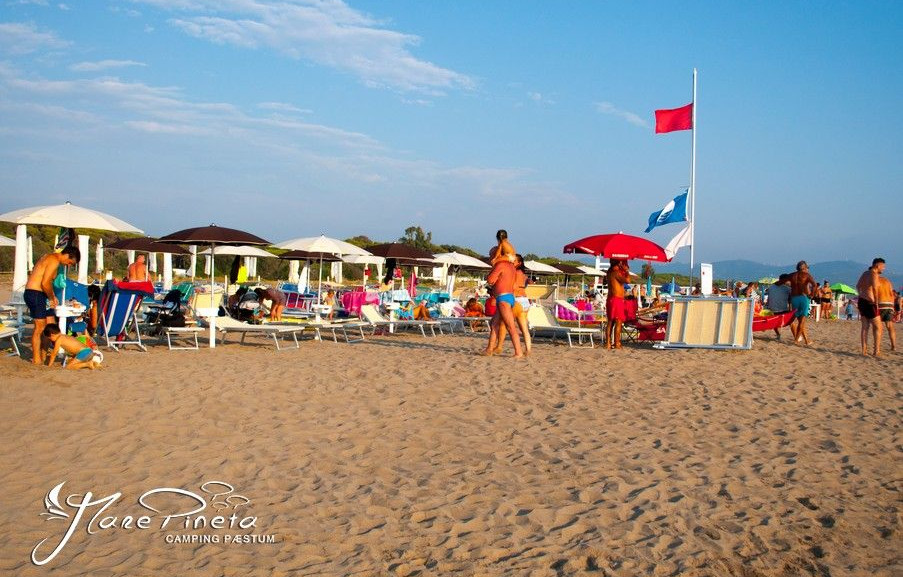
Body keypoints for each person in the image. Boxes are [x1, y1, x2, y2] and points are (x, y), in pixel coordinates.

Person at [24, 246, 80, 364]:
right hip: (35, 293)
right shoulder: (53, 260)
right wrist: (51, 297)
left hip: (41, 294)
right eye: (70, 262)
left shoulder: (52, 259)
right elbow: (44, 283)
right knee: (40, 327)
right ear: (67, 255)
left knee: (51, 327)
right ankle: (36, 359)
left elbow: (48, 281)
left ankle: (43, 355)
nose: (69, 265)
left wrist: (52, 296)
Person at [483, 246, 523, 358]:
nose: (490, 257)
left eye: (491, 255)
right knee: (494, 324)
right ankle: (489, 349)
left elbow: (490, 280)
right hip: (507, 297)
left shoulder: (500, 265)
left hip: (503, 298)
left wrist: (491, 272)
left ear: (496, 255)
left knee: (510, 327)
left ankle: (518, 352)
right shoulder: (511, 266)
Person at [494, 254, 533, 356]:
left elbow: (514, 286)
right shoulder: (524, 274)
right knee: (524, 328)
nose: (511, 262)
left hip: (517, 300)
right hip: (525, 301)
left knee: (504, 323)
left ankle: (499, 346)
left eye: (514, 261)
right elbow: (527, 284)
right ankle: (528, 350)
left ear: (519, 263)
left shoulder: (514, 272)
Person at [856, 258, 884, 356]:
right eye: (883, 266)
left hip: (862, 301)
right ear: (877, 265)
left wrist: (861, 294)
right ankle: (876, 351)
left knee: (865, 326)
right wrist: (876, 302)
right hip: (870, 302)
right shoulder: (874, 274)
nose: (883, 268)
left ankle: (864, 350)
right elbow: (875, 289)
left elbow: (858, 286)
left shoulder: (865, 273)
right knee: (878, 327)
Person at [788, 260, 816, 345]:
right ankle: (796, 340)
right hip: (803, 298)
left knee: (800, 321)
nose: (807, 270)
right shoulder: (806, 275)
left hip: (794, 298)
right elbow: (814, 285)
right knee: (802, 321)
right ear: (804, 268)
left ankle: (807, 340)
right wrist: (812, 295)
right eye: (807, 268)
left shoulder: (793, 275)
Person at [605, 259, 630, 349]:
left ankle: (608, 343)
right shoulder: (616, 273)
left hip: (610, 299)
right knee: (618, 321)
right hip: (617, 300)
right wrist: (626, 271)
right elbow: (628, 281)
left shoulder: (609, 273)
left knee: (610, 322)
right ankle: (617, 343)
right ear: (618, 263)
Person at [765, 274, 792, 339]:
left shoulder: (787, 288)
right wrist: (767, 306)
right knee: (774, 324)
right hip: (773, 309)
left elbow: (790, 299)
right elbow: (769, 297)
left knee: (791, 323)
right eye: (787, 280)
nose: (788, 282)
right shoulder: (771, 287)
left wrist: (790, 309)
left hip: (783, 309)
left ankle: (796, 337)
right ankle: (778, 335)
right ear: (783, 279)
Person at [875, 272, 896, 354]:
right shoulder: (887, 281)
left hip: (880, 304)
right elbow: (892, 294)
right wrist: (892, 306)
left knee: (878, 327)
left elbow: (874, 292)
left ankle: (878, 347)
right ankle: (893, 346)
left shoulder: (875, 280)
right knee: (890, 326)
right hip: (889, 304)